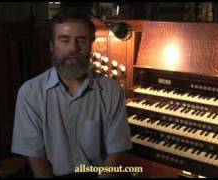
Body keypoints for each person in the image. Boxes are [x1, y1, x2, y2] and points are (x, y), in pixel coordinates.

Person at [11, 7, 132, 178]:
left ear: (90, 45)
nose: (73, 48)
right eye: (64, 40)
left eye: (81, 40)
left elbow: (116, 151)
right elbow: (35, 158)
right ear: (52, 46)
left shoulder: (111, 91)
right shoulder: (30, 93)